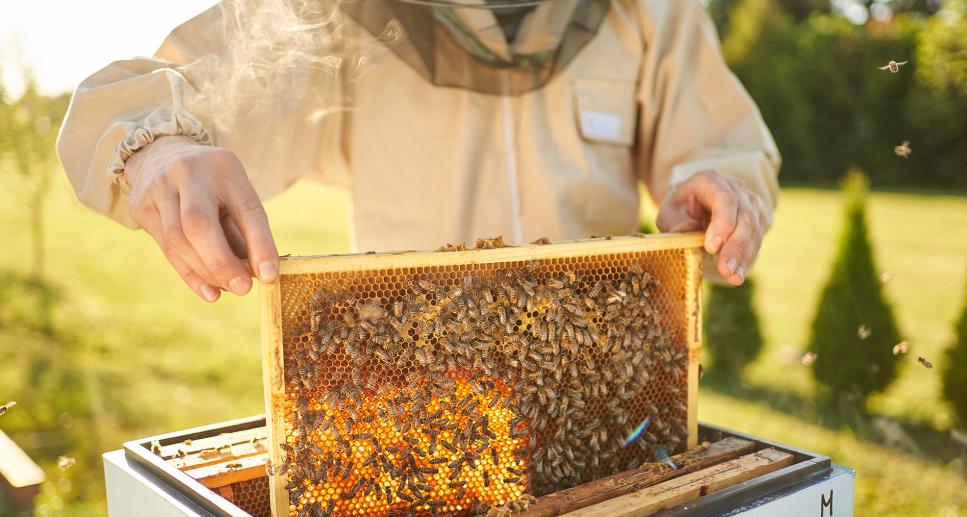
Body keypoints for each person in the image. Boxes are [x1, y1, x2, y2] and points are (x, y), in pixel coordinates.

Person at [56, 0, 780, 303]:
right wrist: (156, 150)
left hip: (607, 399)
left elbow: (723, 144)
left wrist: (716, 189)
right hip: (422, 401)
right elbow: (146, 97)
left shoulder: (652, 9)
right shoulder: (338, 15)